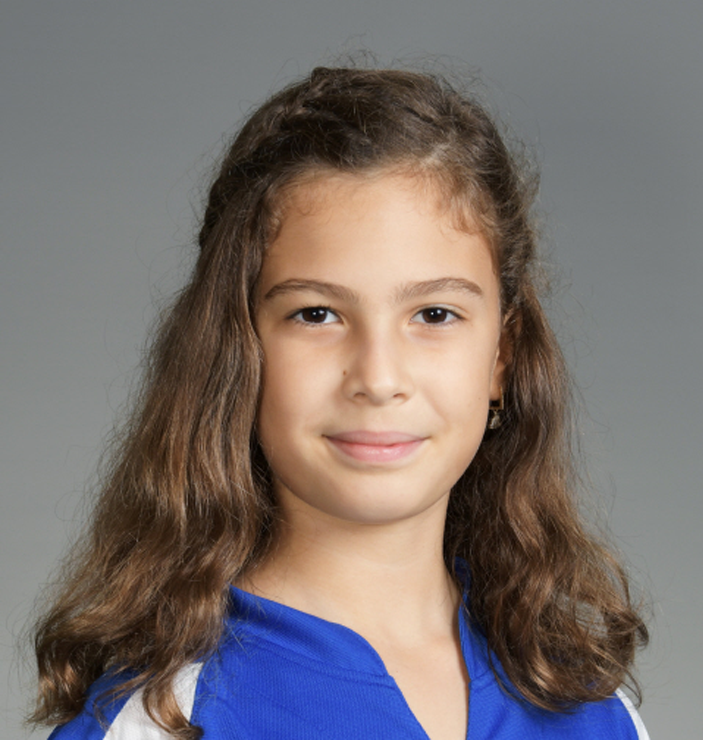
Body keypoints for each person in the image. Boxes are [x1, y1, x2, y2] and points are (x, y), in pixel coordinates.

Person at [31, 65, 649, 740]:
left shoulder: (594, 712)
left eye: (434, 314)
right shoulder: (162, 720)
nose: (378, 379)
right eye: (317, 314)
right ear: (238, 348)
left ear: (502, 356)